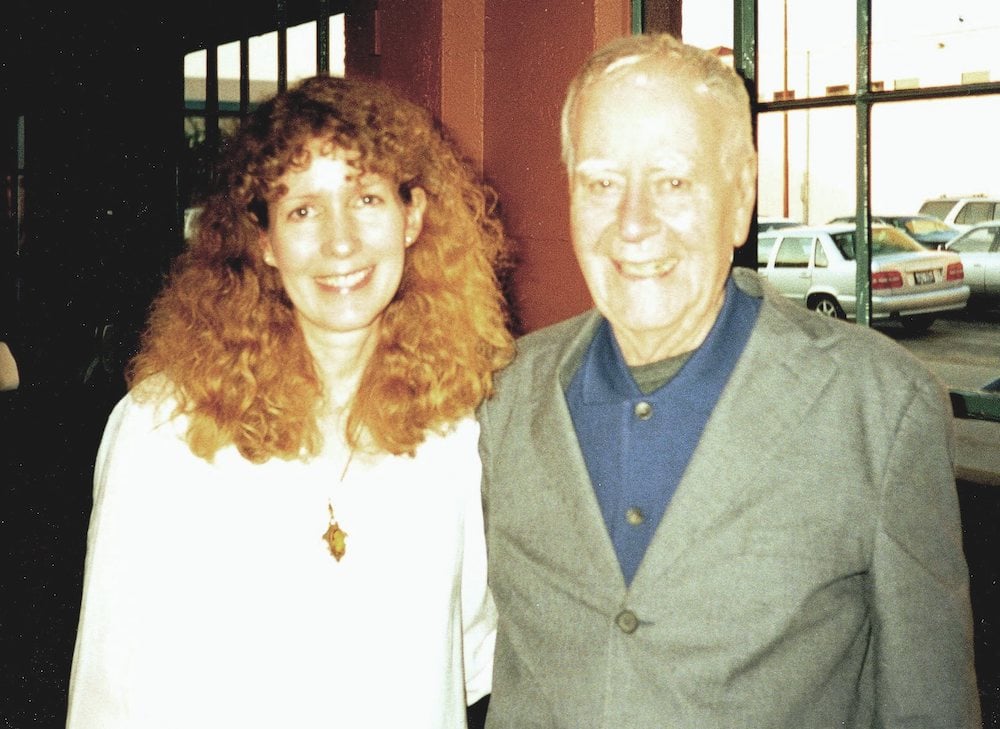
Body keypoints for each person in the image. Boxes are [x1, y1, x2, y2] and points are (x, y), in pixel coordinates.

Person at [478, 33, 980, 728]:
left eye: (673, 182)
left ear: (741, 195)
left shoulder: (879, 406)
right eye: (601, 183)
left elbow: (930, 705)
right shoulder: (498, 397)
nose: (633, 224)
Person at [66, 74, 514, 729]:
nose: (341, 242)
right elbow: (109, 698)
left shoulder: (455, 430)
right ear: (265, 241)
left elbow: (469, 656)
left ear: (412, 216)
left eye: (366, 198)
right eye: (303, 209)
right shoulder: (167, 430)